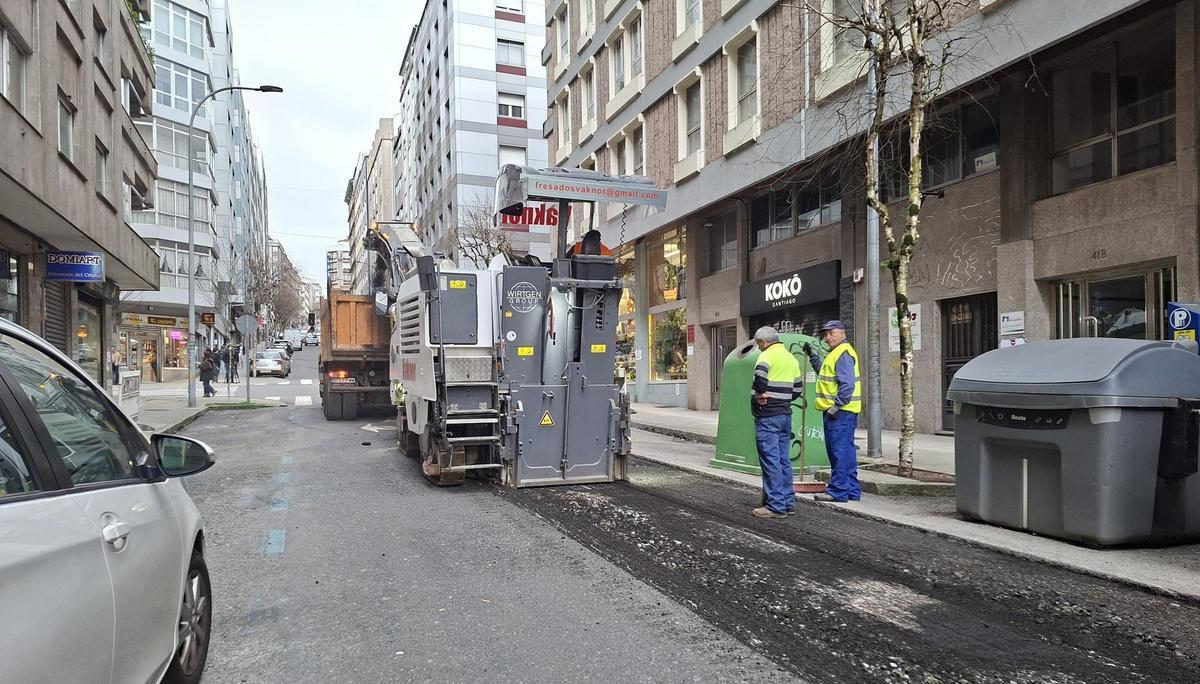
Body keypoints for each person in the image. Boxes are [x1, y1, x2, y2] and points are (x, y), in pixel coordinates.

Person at [805, 320, 862, 503]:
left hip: (839, 412)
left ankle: (838, 491)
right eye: (826, 334)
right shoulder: (837, 353)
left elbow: (847, 384)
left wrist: (836, 406)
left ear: (842, 333)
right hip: (842, 412)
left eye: (831, 333)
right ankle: (852, 490)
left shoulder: (843, 353)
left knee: (839, 452)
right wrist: (813, 356)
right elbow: (824, 372)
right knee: (847, 452)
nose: (827, 337)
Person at [750, 326, 803, 519]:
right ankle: (788, 503)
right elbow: (798, 390)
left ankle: (775, 506)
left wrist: (760, 393)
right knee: (783, 460)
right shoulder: (791, 358)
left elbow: (760, 381)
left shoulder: (766, 356)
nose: (759, 347)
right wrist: (783, 397)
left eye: (759, 344)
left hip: (768, 416)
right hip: (785, 415)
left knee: (770, 459)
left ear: (763, 342)